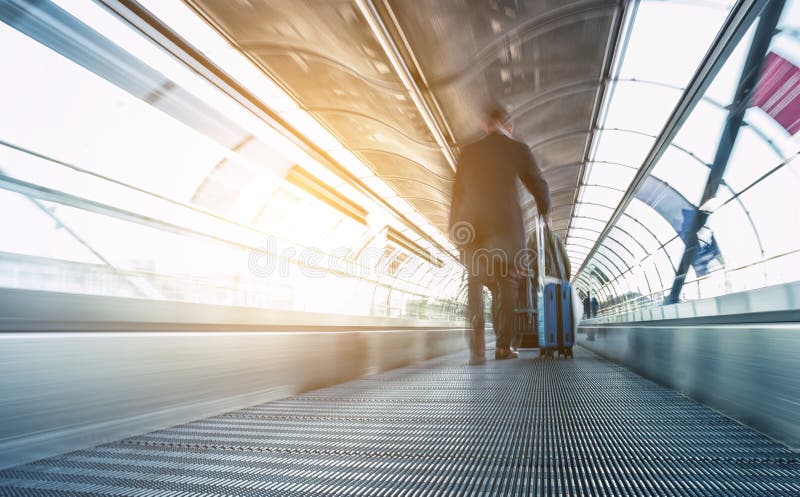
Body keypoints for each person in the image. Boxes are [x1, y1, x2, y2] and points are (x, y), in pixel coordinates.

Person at [449, 106, 550, 364]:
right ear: (509, 126)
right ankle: (503, 347)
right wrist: (543, 209)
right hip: (506, 230)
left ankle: (477, 342)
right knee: (507, 287)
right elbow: (537, 183)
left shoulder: (469, 152)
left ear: (485, 124)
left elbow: (457, 193)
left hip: (473, 230)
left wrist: (455, 229)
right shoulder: (516, 149)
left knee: (475, 281)